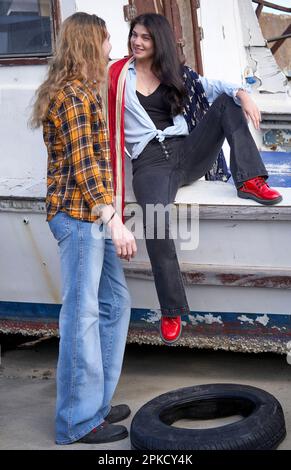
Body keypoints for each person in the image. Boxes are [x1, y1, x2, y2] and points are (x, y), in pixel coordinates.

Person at [107, 13, 282, 346]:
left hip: (186, 151)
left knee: (225, 105)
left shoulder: (174, 73)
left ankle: (249, 181)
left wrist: (243, 93)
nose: (137, 42)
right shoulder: (118, 75)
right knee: (157, 225)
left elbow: (214, 88)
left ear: (158, 41)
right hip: (150, 162)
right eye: (134, 36)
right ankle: (171, 310)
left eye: (145, 37)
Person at [30, 12, 137, 445]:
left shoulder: (81, 92)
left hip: (89, 213)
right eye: (107, 39)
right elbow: (84, 167)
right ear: (90, 44)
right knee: (82, 315)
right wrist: (114, 220)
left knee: (115, 303)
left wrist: (107, 215)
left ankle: (93, 402)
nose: (112, 46)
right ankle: (76, 421)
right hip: (78, 217)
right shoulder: (72, 97)